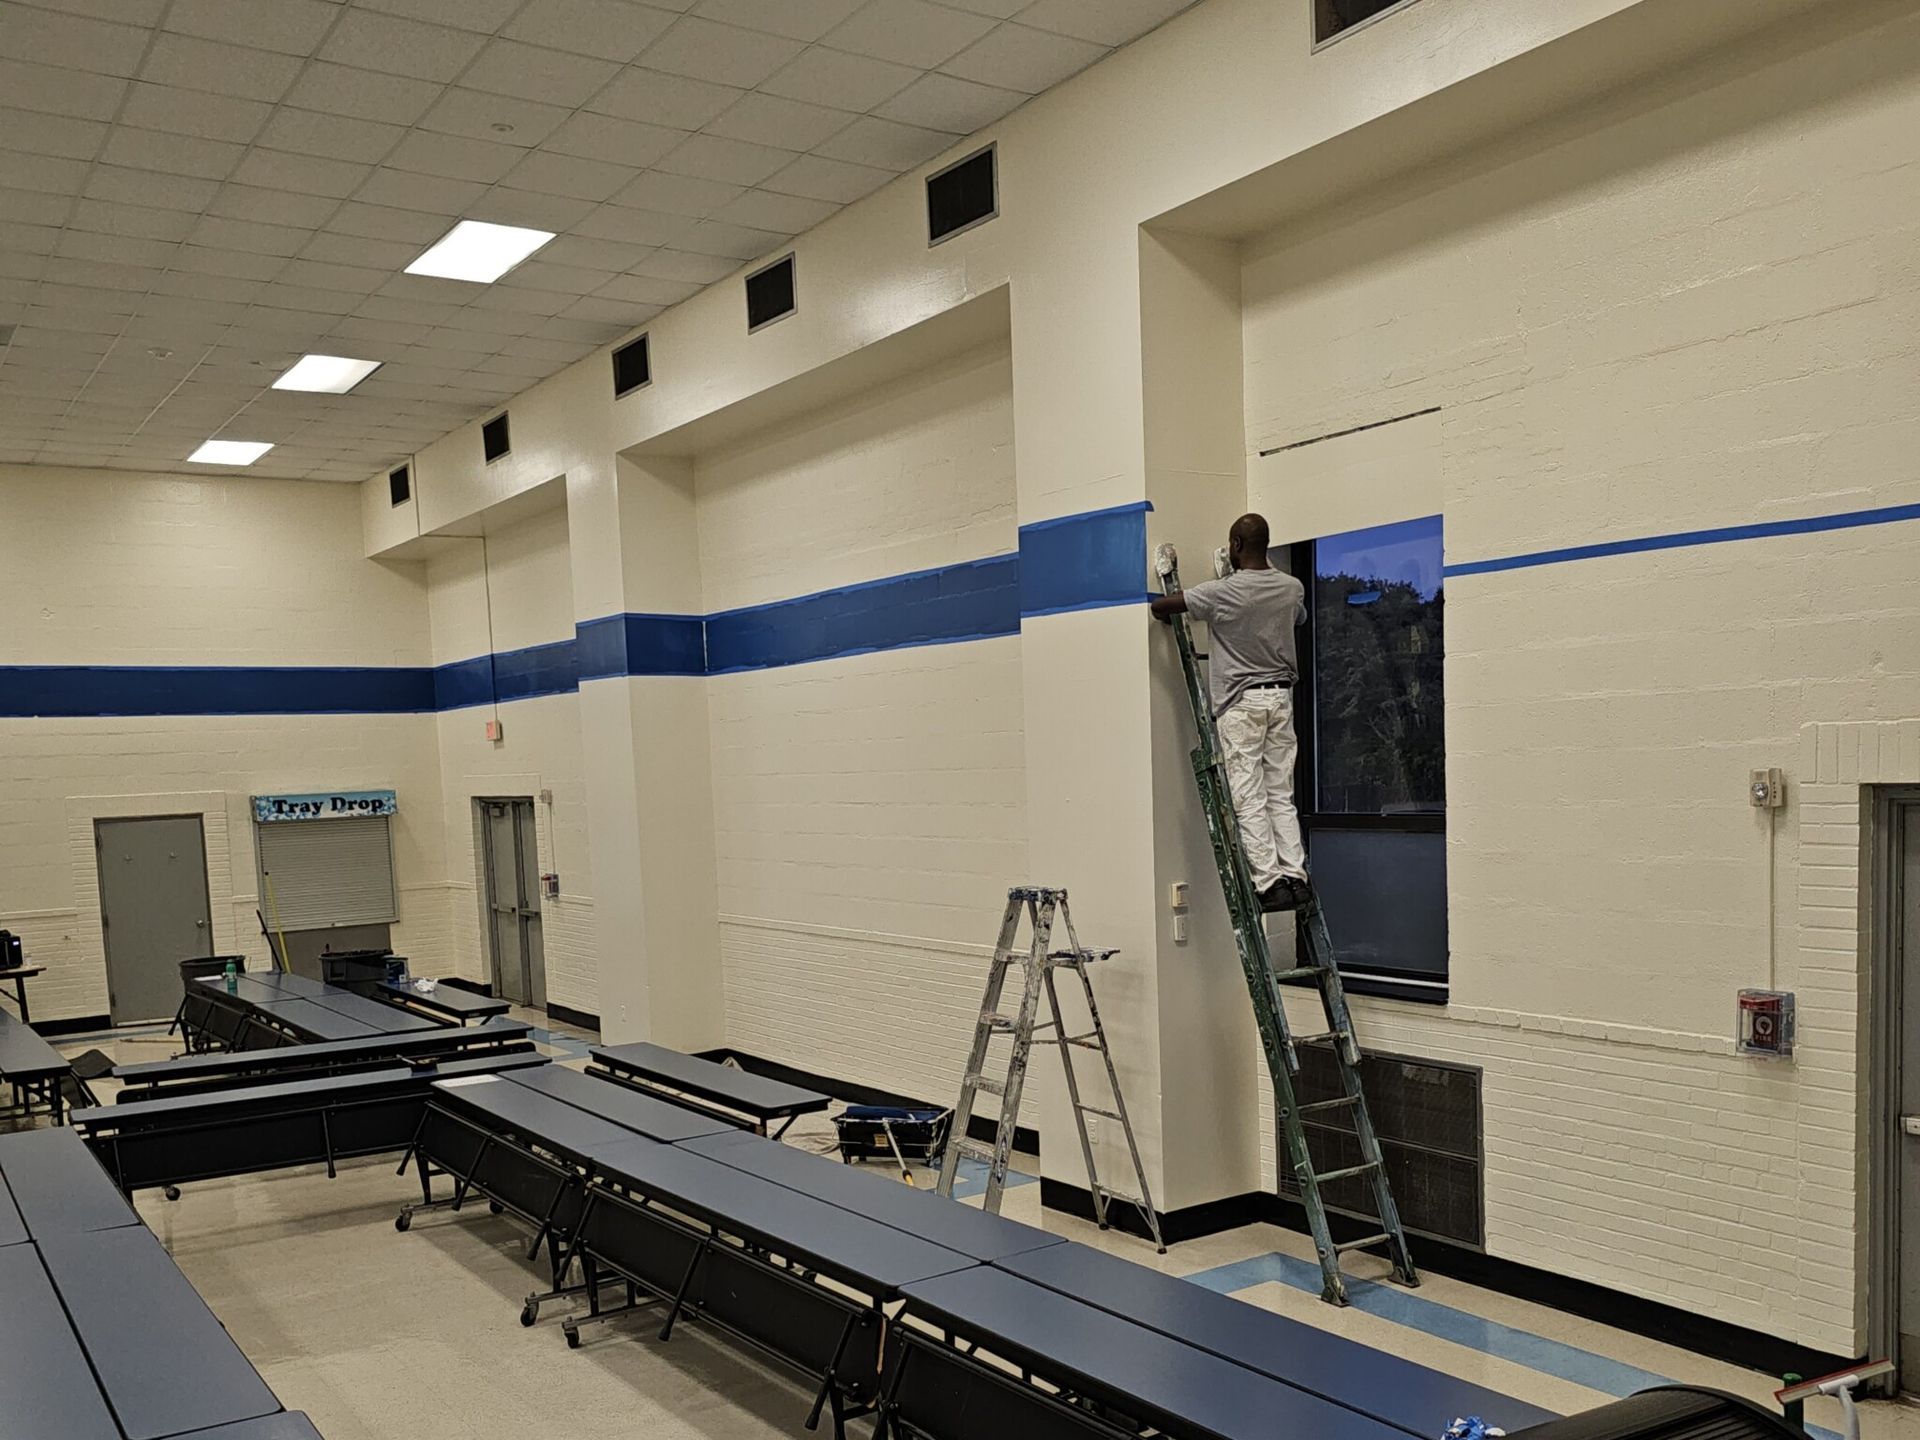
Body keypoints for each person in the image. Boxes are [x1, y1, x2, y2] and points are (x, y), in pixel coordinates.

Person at [1151, 513, 1310, 911]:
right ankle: (1296, 877)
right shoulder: (1292, 589)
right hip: (1280, 701)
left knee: (1248, 794)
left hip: (1242, 704)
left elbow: (1163, 607)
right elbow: (1298, 618)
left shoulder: (1224, 593)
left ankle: (1270, 884)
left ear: (1236, 545)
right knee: (1279, 793)